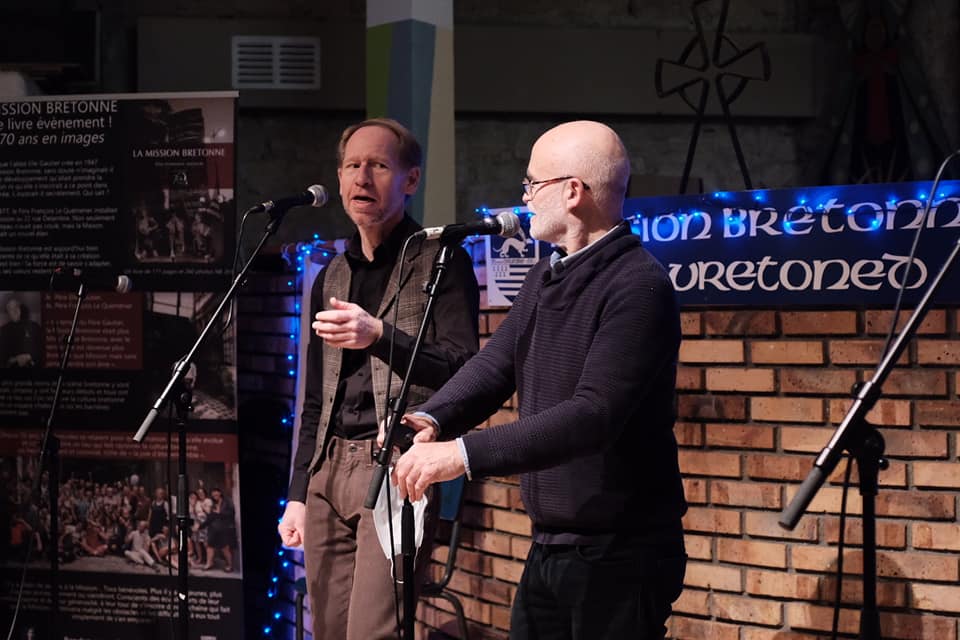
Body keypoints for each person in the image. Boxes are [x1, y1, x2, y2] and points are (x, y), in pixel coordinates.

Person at [392, 121, 688, 640]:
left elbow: (592, 415)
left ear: (573, 191)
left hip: (621, 552)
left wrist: (461, 454)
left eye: (533, 183)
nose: (524, 197)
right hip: (553, 543)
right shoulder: (546, 275)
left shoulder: (638, 285)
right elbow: (496, 364)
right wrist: (430, 417)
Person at [276, 117, 480, 640]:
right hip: (328, 470)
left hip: (395, 467)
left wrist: (380, 335)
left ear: (410, 180)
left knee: (373, 632)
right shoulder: (331, 273)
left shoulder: (441, 262)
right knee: (327, 630)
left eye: (378, 165)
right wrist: (299, 492)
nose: (361, 178)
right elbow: (316, 397)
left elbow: (464, 369)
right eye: (352, 165)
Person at [0, 296, 43, 368]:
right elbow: (2, 356)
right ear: (8, 313)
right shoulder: (3, 330)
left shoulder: (34, 326)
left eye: (17, 307)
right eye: (11, 309)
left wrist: (28, 357)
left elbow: (41, 349)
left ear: (20, 309)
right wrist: (15, 359)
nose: (15, 310)